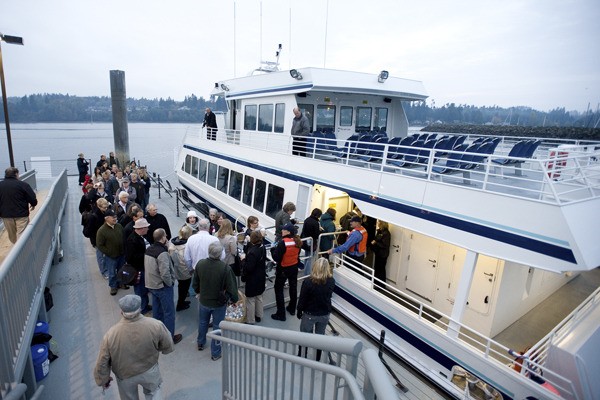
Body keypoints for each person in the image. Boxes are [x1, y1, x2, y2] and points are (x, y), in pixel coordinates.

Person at [94, 294, 174, 399]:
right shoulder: (156, 325)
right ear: (140, 308)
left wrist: (103, 379)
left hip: (125, 375)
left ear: (121, 312)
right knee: (154, 393)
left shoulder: (110, 334)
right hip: (149, 369)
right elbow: (168, 344)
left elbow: (102, 360)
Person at [192, 241, 238, 359]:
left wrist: (199, 292)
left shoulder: (200, 264)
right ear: (220, 254)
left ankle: (200, 342)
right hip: (219, 304)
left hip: (204, 301)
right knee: (217, 327)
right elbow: (232, 288)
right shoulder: (225, 268)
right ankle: (216, 353)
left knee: (203, 322)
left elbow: (195, 283)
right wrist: (234, 300)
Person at [144, 228, 183, 344]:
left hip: (151, 284)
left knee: (157, 311)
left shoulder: (149, 249)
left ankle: (157, 334)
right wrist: (170, 283)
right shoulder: (162, 253)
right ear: (163, 238)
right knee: (169, 313)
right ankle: (169, 338)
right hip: (162, 287)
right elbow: (165, 273)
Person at [296, 257, 335, 361]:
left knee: (304, 336)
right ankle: (317, 358)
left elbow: (303, 298)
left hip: (310, 313)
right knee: (320, 337)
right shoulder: (331, 281)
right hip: (324, 314)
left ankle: (302, 355)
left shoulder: (308, 282)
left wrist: (299, 310)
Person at [271, 223, 302, 321]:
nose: (282, 231)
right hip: (294, 267)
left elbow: (276, 257)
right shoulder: (297, 241)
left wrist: (272, 249)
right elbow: (297, 254)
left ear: (288, 232)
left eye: (284, 230)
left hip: (283, 269)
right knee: (293, 287)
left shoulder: (283, 243)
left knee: (278, 289)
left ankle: (281, 314)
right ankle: (292, 308)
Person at [0, 167, 38, 244]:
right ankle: (22, 250)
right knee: (22, 236)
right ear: (16, 174)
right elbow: (32, 197)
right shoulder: (23, 185)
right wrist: (33, 204)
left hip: (6, 215)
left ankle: (15, 248)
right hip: (21, 214)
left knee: (12, 236)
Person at [96, 209, 126, 295]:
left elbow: (124, 237)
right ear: (106, 218)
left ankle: (121, 283)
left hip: (121, 254)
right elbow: (100, 245)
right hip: (111, 257)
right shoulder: (101, 231)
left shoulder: (119, 226)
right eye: (113, 217)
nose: (115, 219)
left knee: (121, 270)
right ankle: (113, 286)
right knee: (112, 273)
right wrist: (109, 252)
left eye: (115, 217)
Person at [125, 218, 152, 315]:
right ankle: (142, 309)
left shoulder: (138, 237)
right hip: (138, 269)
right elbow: (130, 257)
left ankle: (145, 305)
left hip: (142, 268)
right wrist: (146, 254)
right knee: (140, 290)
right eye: (146, 227)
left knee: (143, 289)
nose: (148, 229)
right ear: (142, 228)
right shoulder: (132, 240)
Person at [243, 230, 267, 325]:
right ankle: (259, 315)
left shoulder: (252, 252)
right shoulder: (263, 247)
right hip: (261, 276)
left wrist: (243, 260)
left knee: (250, 299)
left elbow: (249, 268)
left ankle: (250, 320)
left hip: (252, 278)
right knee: (259, 297)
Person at [84, 198, 111, 279]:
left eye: (106, 207)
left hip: (104, 238)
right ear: (99, 206)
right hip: (97, 240)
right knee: (101, 257)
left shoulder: (103, 213)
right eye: (104, 207)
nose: (106, 209)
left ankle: (106, 270)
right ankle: (104, 271)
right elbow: (88, 231)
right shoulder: (93, 217)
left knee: (105, 256)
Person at [168, 226, 193, 312]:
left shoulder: (173, 243)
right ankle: (180, 304)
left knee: (181, 286)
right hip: (185, 270)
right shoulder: (186, 246)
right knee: (184, 288)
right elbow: (187, 260)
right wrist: (191, 269)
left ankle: (182, 301)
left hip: (176, 268)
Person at [300, 208, 323, 274]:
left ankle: (305, 271)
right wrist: (320, 231)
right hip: (311, 242)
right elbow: (316, 235)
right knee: (310, 258)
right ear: (318, 215)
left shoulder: (307, 220)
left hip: (305, 241)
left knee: (307, 257)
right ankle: (307, 273)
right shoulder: (315, 223)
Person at [371, 220, 391, 287]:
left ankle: (381, 285)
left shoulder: (386, 233)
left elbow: (385, 245)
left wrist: (376, 242)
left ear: (382, 223)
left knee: (381, 269)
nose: (377, 223)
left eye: (379, 222)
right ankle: (376, 282)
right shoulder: (380, 231)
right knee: (377, 268)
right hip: (378, 253)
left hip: (383, 254)